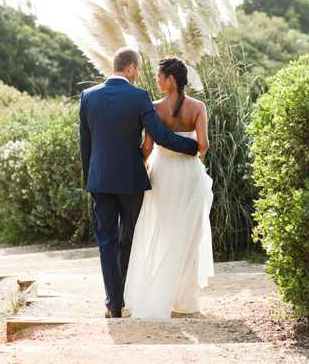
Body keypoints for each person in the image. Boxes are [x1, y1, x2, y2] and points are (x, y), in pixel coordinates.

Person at [79, 48, 199, 318]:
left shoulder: (88, 97)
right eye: (139, 68)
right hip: (131, 180)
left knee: (106, 242)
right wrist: (193, 147)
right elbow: (160, 136)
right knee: (128, 239)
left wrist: (90, 179)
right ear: (131, 68)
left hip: (100, 182)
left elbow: (84, 146)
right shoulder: (139, 97)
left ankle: (114, 304)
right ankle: (124, 297)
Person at [124, 56, 214, 318]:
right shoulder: (198, 107)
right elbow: (204, 145)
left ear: (170, 79)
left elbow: (148, 147)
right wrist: (195, 159)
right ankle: (184, 301)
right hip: (189, 173)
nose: (156, 79)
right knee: (188, 235)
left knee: (161, 231)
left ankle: (159, 293)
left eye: (159, 75)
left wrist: (139, 163)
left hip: (162, 172)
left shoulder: (154, 108)